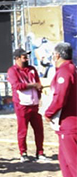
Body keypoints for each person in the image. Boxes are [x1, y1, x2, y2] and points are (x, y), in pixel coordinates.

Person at [8, 47, 51, 162]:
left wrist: (39, 92)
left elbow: (38, 83)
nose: (26, 59)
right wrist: (33, 85)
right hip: (22, 105)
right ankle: (23, 153)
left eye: (27, 56)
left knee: (39, 129)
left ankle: (40, 152)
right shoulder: (12, 71)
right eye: (24, 57)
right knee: (23, 130)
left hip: (34, 104)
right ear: (17, 58)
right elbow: (17, 86)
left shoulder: (32, 69)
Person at [44, 42, 76, 176]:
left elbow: (60, 96)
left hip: (69, 123)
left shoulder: (65, 71)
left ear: (57, 56)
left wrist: (49, 113)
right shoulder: (71, 69)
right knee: (65, 162)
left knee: (73, 163)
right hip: (67, 123)